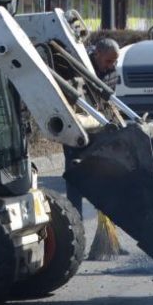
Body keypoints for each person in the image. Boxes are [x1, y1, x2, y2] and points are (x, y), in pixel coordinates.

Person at [64, 38, 122, 216]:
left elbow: (109, 100)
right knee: (75, 174)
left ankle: (106, 216)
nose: (111, 65)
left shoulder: (112, 70)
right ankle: (76, 217)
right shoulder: (77, 64)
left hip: (100, 124)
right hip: (77, 125)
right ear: (97, 54)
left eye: (115, 61)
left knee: (104, 173)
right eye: (108, 61)